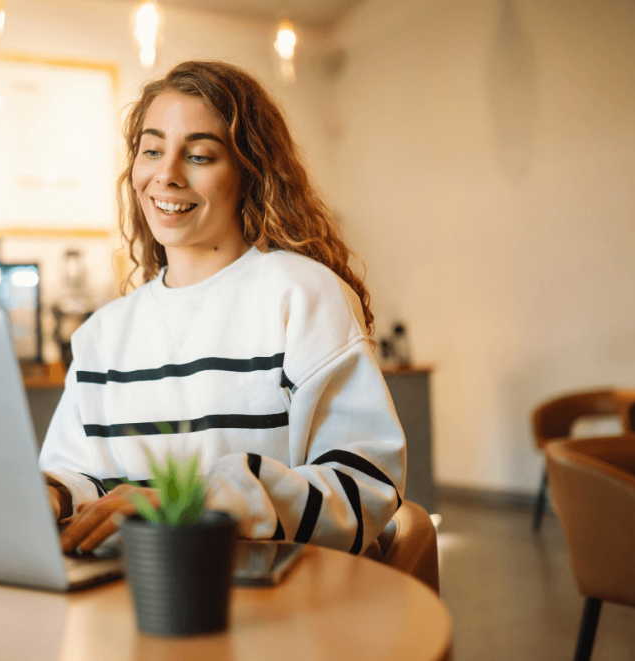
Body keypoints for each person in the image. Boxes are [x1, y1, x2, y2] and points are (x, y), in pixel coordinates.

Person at [40, 60, 405, 556]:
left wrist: (194, 504)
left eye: (199, 156)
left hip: (279, 602)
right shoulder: (102, 334)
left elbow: (363, 487)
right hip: (133, 593)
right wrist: (56, 494)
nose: (166, 176)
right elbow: (81, 476)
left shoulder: (301, 296)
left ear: (249, 172)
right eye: (152, 150)